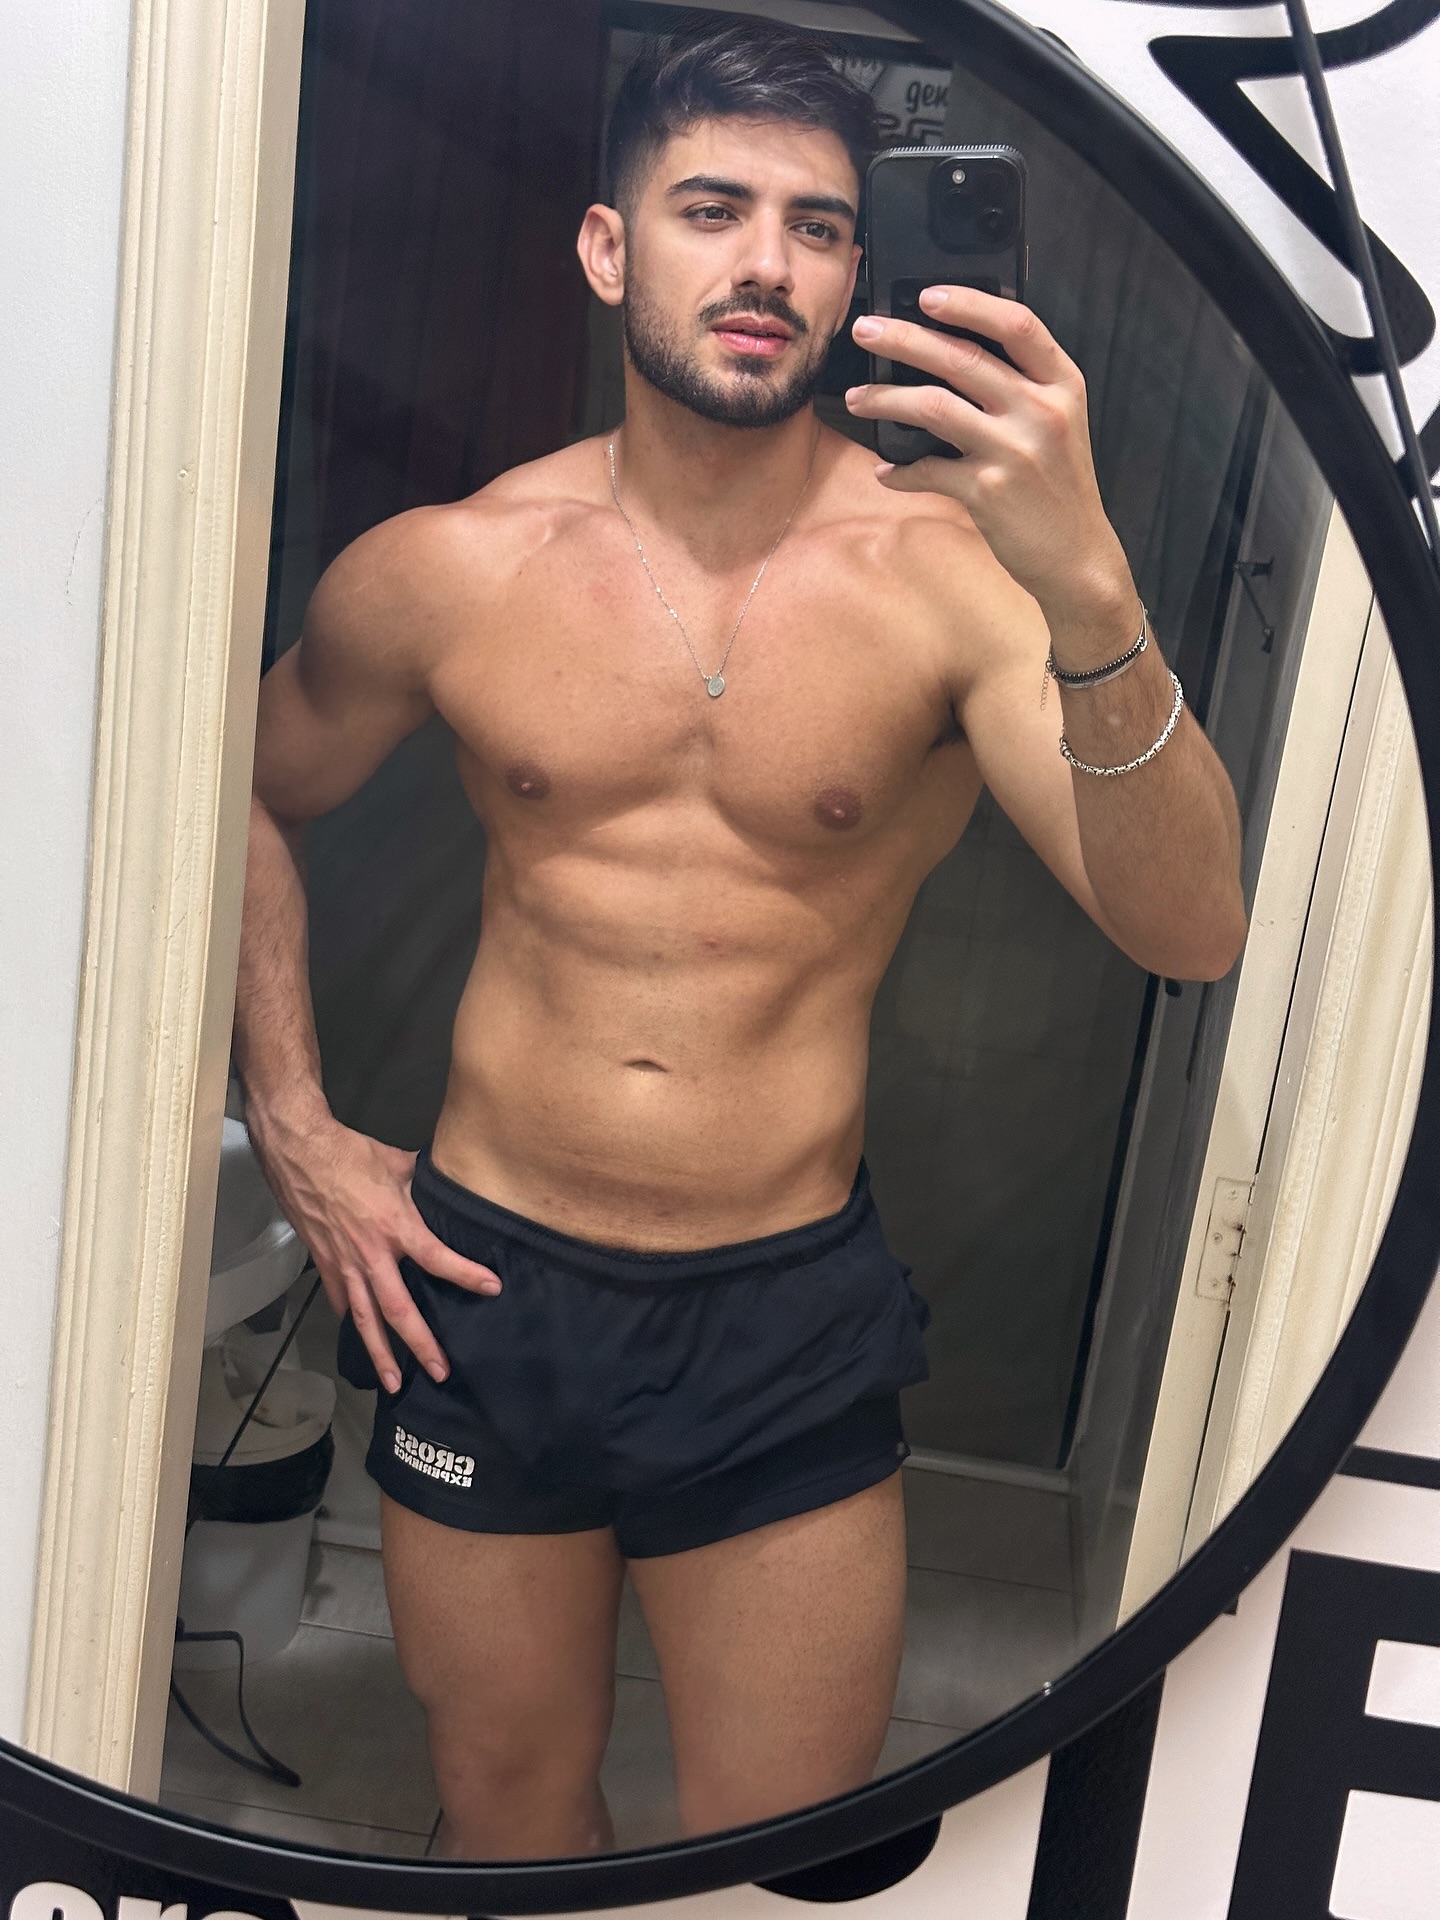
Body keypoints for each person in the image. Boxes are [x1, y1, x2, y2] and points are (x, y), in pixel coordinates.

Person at [234, 18, 1246, 1860]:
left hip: (778, 1306)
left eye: (819, 225)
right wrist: (295, 1124)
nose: (768, 263)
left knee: (786, 1842)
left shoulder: (954, 585)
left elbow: (1191, 926)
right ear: (608, 246)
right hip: (478, 1286)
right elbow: (241, 799)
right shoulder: (453, 565)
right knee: (507, 1807)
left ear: (861, 274)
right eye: (712, 210)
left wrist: (1088, 575)